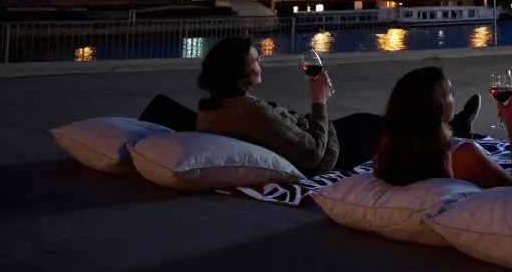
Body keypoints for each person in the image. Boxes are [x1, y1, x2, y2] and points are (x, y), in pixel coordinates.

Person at [135, 36, 482, 177]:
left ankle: (458, 125)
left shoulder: (214, 108)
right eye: (256, 61)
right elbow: (320, 158)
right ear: (240, 74)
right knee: (388, 128)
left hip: (315, 133)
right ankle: (457, 130)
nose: (262, 65)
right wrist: (319, 100)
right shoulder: (249, 111)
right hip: (337, 148)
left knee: (374, 121)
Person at [373, 66, 512, 190]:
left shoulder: (388, 156)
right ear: (438, 106)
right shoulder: (462, 155)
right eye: (450, 93)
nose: (454, 97)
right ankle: (461, 122)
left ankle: (461, 122)